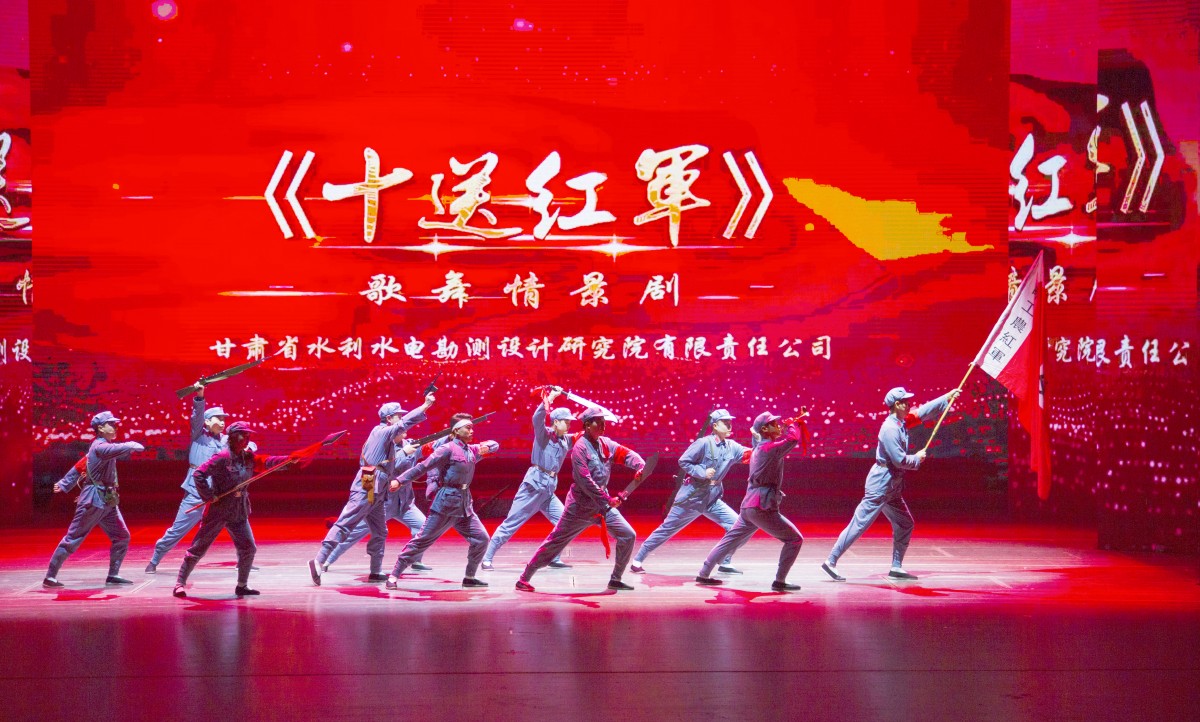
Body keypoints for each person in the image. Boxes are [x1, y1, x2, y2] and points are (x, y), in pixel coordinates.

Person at [820, 386, 960, 582]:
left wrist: (946, 397)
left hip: (892, 486)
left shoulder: (901, 422)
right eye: (906, 402)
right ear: (897, 404)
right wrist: (916, 458)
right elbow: (899, 460)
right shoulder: (890, 428)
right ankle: (831, 561)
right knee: (859, 523)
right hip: (881, 484)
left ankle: (896, 566)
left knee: (905, 523)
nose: (910, 404)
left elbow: (922, 412)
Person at [516, 407, 645, 593]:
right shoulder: (580, 448)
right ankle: (524, 578)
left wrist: (639, 465)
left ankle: (616, 579)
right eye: (599, 422)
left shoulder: (605, 444)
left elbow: (626, 454)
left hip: (602, 507)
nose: (603, 426)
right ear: (587, 425)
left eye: (604, 422)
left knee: (628, 535)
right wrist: (607, 499)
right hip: (579, 507)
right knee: (554, 543)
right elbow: (585, 481)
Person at [309, 395, 434, 585]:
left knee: (380, 530)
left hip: (379, 485)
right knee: (348, 522)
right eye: (398, 415)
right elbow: (404, 426)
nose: (401, 419)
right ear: (389, 418)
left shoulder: (389, 439)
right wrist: (425, 406)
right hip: (369, 480)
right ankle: (319, 560)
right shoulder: (381, 432)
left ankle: (375, 570)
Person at [172, 422, 292, 598]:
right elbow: (199, 474)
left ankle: (242, 585)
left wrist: (290, 459)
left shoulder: (247, 457)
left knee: (248, 548)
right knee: (199, 547)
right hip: (219, 510)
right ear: (233, 437)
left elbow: (267, 462)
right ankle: (179, 584)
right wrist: (208, 495)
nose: (247, 439)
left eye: (248, 435)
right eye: (243, 435)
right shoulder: (222, 457)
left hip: (238, 510)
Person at [695, 411, 809, 591]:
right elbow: (792, 439)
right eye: (774, 424)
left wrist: (762, 432)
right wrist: (792, 425)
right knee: (794, 539)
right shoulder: (769, 449)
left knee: (730, 539)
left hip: (749, 506)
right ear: (764, 429)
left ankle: (704, 573)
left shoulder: (759, 448)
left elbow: (759, 439)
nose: (778, 426)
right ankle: (780, 581)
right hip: (761, 506)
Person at [631, 408, 751, 574]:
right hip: (692, 497)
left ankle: (725, 560)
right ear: (715, 425)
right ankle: (637, 560)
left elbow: (753, 456)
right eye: (725, 422)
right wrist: (702, 472)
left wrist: (759, 440)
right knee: (667, 529)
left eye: (730, 422)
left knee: (738, 526)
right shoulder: (703, 443)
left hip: (712, 498)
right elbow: (684, 461)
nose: (730, 425)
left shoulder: (732, 446)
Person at [385, 417, 499, 589]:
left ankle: (470, 576)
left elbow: (495, 445)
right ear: (456, 431)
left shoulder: (471, 450)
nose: (471, 431)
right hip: (446, 504)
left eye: (472, 428)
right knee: (422, 540)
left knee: (481, 538)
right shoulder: (447, 449)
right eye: (467, 428)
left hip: (464, 505)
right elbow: (422, 467)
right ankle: (394, 576)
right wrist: (400, 480)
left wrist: (488, 447)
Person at [43, 411, 146, 588]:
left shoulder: (100, 447)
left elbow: (81, 465)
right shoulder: (100, 447)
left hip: (107, 500)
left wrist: (65, 483)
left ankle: (113, 574)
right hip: (93, 500)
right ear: (100, 428)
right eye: (111, 424)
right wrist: (131, 445)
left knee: (121, 536)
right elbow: (115, 450)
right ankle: (50, 577)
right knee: (73, 538)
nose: (115, 427)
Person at [481, 390, 575, 570]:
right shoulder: (543, 434)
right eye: (566, 421)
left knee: (566, 523)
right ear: (556, 422)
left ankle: (553, 556)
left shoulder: (566, 440)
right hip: (533, 487)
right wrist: (550, 399)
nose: (569, 424)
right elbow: (537, 418)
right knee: (512, 523)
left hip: (548, 490)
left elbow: (584, 436)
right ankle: (487, 558)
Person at [146, 384, 229, 573]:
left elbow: (241, 442)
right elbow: (196, 417)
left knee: (236, 523)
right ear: (207, 422)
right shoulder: (199, 435)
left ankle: (245, 558)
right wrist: (200, 397)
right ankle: (155, 559)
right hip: (196, 492)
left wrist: (250, 447)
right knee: (178, 529)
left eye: (224, 419)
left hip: (218, 493)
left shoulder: (224, 441)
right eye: (218, 418)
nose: (222, 422)